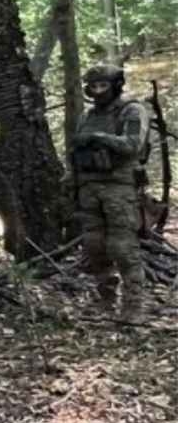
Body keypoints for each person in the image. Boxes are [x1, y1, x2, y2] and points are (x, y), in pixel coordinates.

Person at [72, 63, 151, 323]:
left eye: (103, 85)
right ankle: (105, 301)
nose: (98, 91)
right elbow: (76, 151)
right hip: (89, 186)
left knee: (123, 247)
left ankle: (133, 306)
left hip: (119, 186)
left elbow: (132, 145)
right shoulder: (87, 116)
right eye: (93, 86)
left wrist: (99, 137)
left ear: (115, 85)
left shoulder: (132, 110)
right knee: (94, 246)